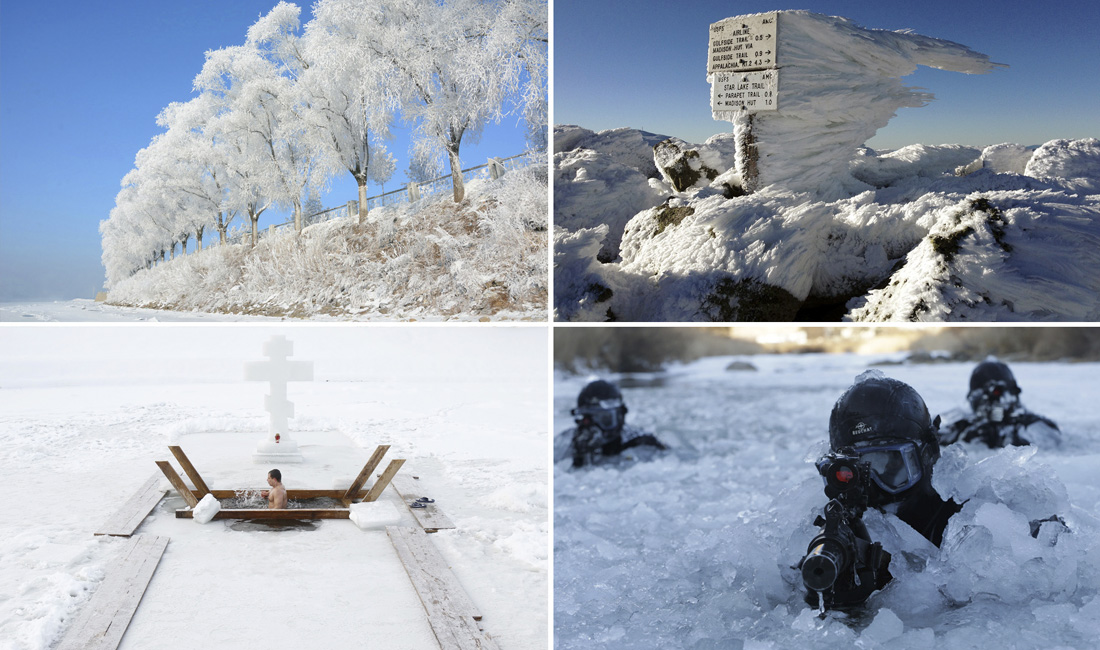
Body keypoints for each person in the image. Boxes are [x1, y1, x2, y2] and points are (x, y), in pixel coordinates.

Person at [802, 374, 961, 609]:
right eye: (857, 474)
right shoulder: (829, 541)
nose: (874, 489)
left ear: (928, 455)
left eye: (889, 465)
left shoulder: (962, 523)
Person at [937, 359, 1061, 448]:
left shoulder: (1027, 425)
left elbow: (1051, 443)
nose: (996, 402)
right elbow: (935, 436)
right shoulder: (963, 425)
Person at [556, 379, 667, 468]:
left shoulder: (640, 442)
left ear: (620, 415)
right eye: (587, 418)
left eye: (604, 419)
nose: (594, 427)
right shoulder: (567, 440)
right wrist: (578, 458)